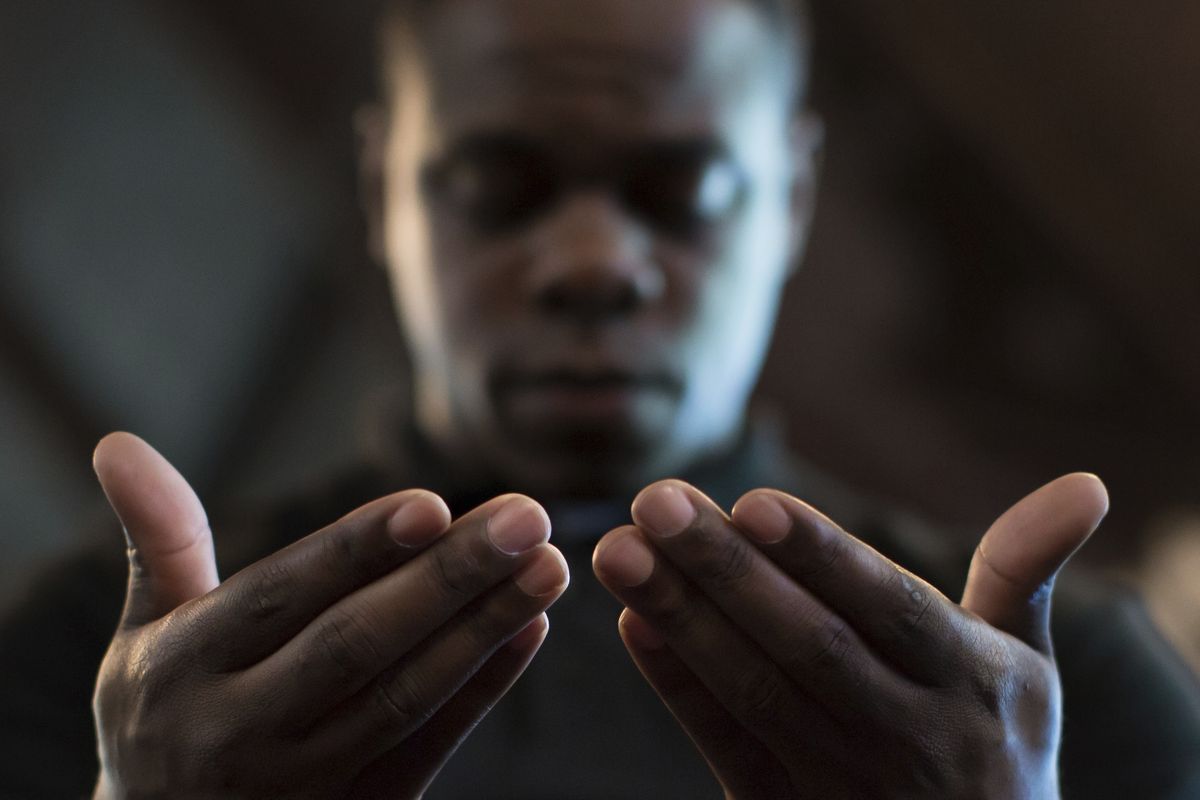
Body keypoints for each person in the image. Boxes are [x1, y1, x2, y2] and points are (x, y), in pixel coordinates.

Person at [2, 0, 1199, 797]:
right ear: (383, 189)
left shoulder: (1049, 696)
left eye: (686, 185)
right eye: (495, 180)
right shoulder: (107, 671)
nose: (588, 259)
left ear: (789, 199)